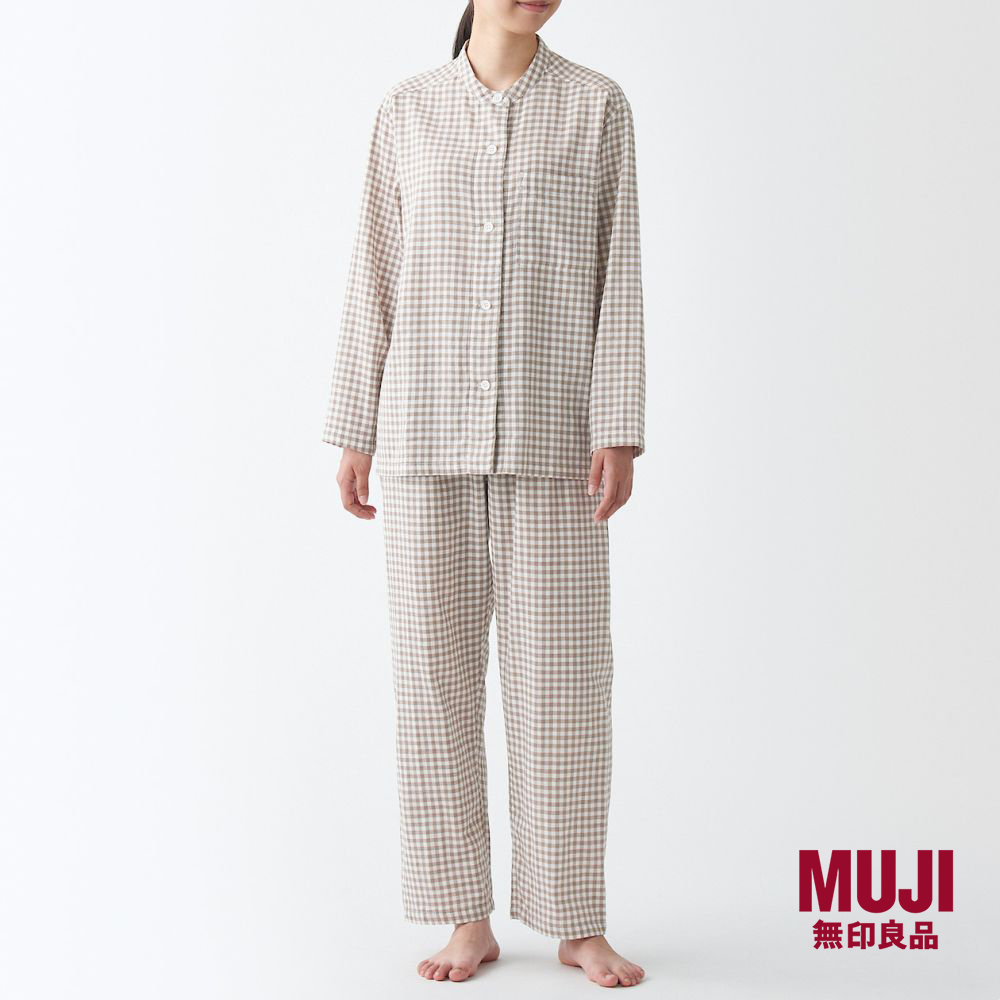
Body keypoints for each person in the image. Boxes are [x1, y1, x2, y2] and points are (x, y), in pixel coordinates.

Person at [323, 0, 646, 987]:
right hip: (422, 435)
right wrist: (355, 425)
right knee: (433, 683)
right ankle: (464, 916)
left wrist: (618, 423)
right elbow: (374, 268)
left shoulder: (597, 108)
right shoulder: (406, 110)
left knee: (565, 688)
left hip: (556, 442)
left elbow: (620, 273)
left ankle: (573, 917)